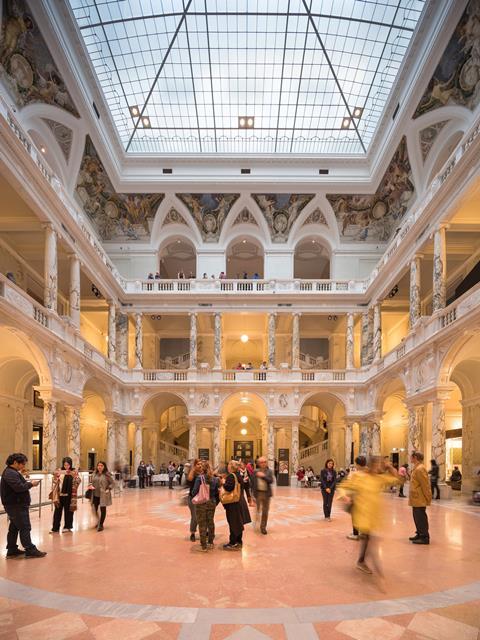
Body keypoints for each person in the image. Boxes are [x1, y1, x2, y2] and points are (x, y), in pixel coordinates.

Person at [340, 456, 402, 576]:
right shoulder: (359, 476)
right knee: (369, 538)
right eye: (377, 464)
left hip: (373, 514)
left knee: (368, 538)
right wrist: (345, 496)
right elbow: (343, 487)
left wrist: (389, 466)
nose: (379, 467)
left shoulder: (378, 478)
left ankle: (362, 561)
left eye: (380, 464)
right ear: (371, 465)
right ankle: (364, 562)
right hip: (363, 513)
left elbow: (397, 479)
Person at [1, 453, 46, 558]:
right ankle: (30, 549)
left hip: (15, 504)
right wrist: (31, 484)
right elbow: (19, 487)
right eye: (22, 464)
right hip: (16, 505)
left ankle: (12, 549)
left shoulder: (12, 472)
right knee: (25, 527)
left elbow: (18, 485)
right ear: (15, 462)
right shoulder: (10, 473)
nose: (23, 466)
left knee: (15, 527)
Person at [222, 459, 251, 550]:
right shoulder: (238, 475)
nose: (227, 466)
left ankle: (233, 542)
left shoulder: (231, 476)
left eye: (229, 465)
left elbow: (229, 488)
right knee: (238, 522)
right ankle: (239, 541)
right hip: (239, 501)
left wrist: (223, 482)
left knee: (233, 522)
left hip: (233, 503)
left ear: (231, 467)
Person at [191, 460, 220, 552]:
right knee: (210, 522)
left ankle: (203, 545)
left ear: (202, 468)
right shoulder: (215, 479)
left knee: (202, 523)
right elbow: (216, 493)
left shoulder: (200, 478)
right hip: (212, 502)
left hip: (201, 503)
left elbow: (194, 492)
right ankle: (210, 542)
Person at [50, 456, 82, 533]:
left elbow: (78, 481)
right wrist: (55, 475)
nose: (66, 467)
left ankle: (67, 527)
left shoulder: (74, 472)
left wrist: (74, 476)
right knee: (57, 512)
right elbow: (54, 481)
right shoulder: (60, 471)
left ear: (70, 464)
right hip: (60, 495)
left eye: (68, 465)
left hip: (70, 495)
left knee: (69, 512)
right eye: (65, 465)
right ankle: (55, 528)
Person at [409, 451, 432, 545]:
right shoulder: (416, 468)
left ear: (415, 457)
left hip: (419, 498)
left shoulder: (420, 469)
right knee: (416, 517)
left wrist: (428, 497)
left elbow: (425, 485)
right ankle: (419, 533)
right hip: (415, 498)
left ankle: (424, 537)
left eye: (411, 457)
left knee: (421, 517)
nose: (410, 458)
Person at [87, 461, 114, 532]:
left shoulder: (107, 474)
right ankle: (98, 521)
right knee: (94, 509)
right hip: (95, 494)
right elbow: (91, 482)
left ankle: (101, 524)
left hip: (103, 495)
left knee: (102, 509)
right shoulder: (94, 474)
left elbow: (112, 483)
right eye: (98, 465)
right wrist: (90, 485)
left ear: (104, 467)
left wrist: (109, 488)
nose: (99, 467)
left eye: (101, 465)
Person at [251, 456, 274, 534]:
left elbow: (271, 481)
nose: (263, 463)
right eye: (261, 462)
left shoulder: (269, 472)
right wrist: (252, 495)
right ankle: (256, 520)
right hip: (258, 493)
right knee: (257, 510)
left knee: (265, 511)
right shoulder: (255, 471)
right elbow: (252, 483)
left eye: (264, 462)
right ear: (259, 463)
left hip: (267, 494)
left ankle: (263, 527)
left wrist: (263, 476)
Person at [346, 455, 367, 540]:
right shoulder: (368, 473)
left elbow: (350, 486)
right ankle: (364, 533)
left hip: (356, 498)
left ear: (357, 464)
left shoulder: (354, 474)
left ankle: (355, 534)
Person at [186, 459, 202, 541]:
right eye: (198, 464)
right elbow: (189, 480)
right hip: (193, 498)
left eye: (201, 464)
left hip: (202, 498)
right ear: (195, 465)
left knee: (202, 516)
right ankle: (192, 533)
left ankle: (204, 531)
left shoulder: (202, 473)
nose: (200, 465)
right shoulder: (192, 473)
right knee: (195, 516)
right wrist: (192, 469)